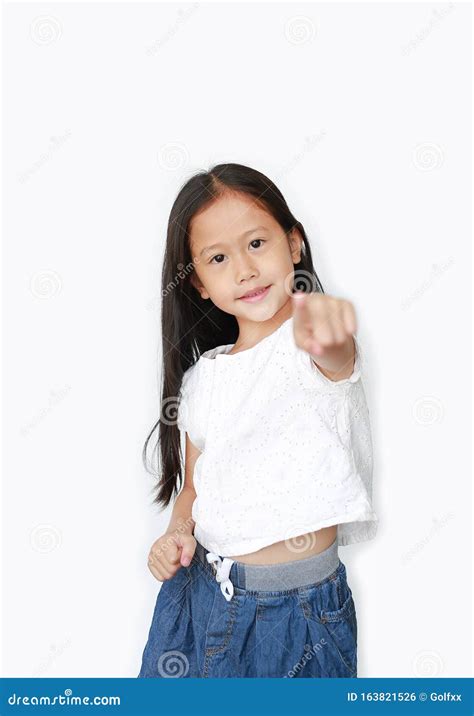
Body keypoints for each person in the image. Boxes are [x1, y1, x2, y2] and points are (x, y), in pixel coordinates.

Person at [138, 163, 378, 678]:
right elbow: (193, 488)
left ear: (293, 244)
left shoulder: (307, 345)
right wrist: (177, 533)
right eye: (218, 258)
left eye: (256, 244)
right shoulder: (204, 376)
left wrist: (331, 339)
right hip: (201, 597)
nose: (244, 270)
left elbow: (338, 358)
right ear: (197, 282)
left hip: (298, 616)